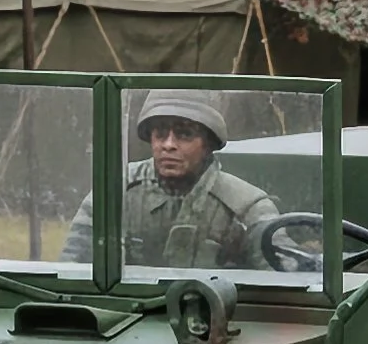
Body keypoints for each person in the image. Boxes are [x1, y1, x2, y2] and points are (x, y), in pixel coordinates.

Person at [59, 91, 280, 269]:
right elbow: (71, 269)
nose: (168, 145)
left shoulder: (246, 206)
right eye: (160, 134)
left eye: (184, 134)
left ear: (208, 144)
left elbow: (285, 286)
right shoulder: (116, 190)